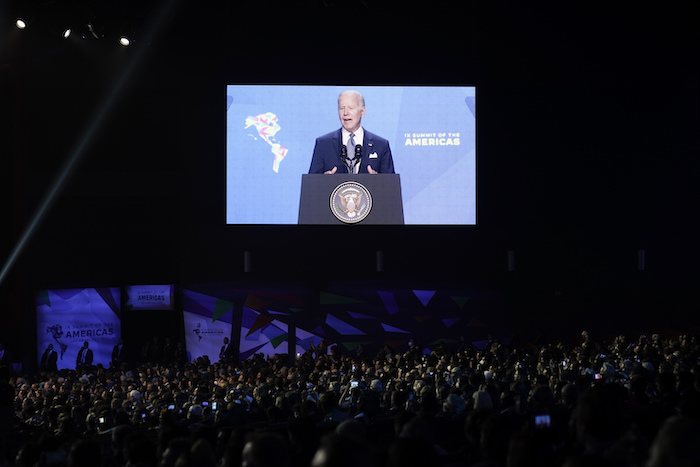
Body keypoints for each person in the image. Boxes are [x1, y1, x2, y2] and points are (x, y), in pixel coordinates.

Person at [308, 90, 395, 175]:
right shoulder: (323, 144)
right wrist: (323, 181)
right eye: (342, 108)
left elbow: (391, 186)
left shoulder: (381, 145)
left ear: (362, 112)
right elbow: (311, 185)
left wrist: (378, 181)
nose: (345, 113)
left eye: (351, 108)